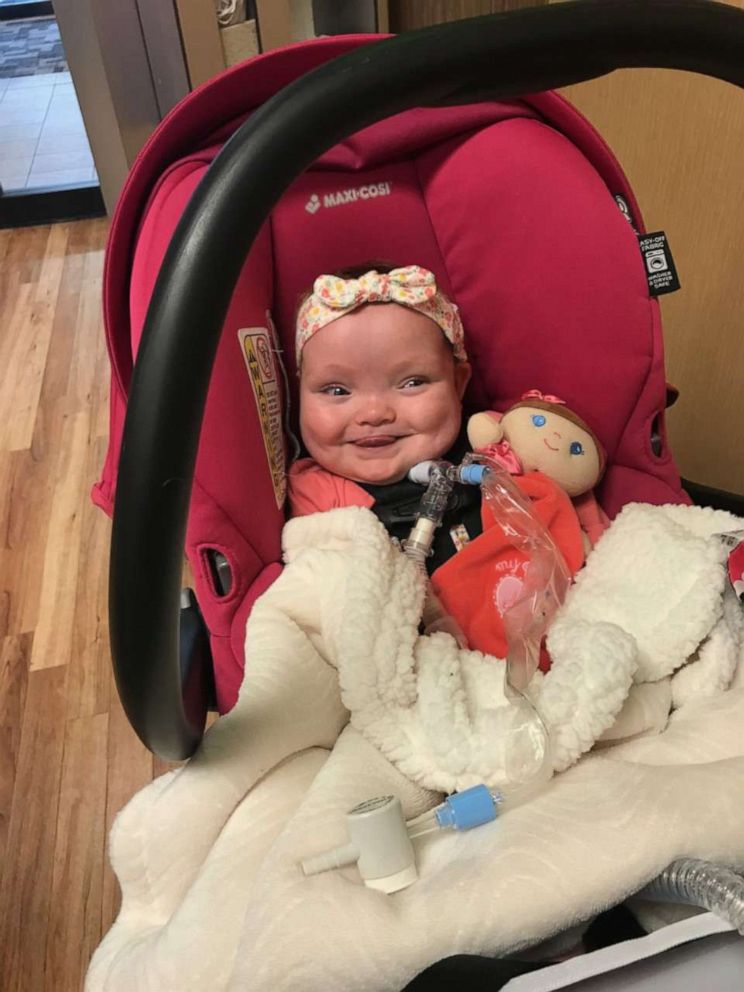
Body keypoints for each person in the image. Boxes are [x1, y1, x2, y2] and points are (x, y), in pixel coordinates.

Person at [288, 264, 585, 664]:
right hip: (428, 664)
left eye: (412, 382)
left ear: (459, 384)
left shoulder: (494, 443)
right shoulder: (320, 494)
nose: (374, 412)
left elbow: (573, 508)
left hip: (553, 632)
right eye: (336, 390)